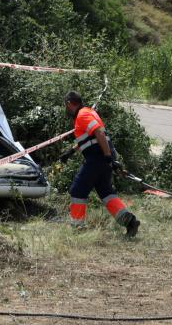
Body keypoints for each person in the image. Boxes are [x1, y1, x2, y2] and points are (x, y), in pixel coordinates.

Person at [58, 91, 140, 237]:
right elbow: (88, 138)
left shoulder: (83, 114)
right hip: (102, 156)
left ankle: (77, 229)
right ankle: (130, 221)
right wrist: (70, 152)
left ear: (69, 104)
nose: (65, 108)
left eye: (65, 105)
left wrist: (108, 158)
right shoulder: (88, 112)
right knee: (106, 192)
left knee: (77, 190)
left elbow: (99, 134)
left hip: (97, 158)